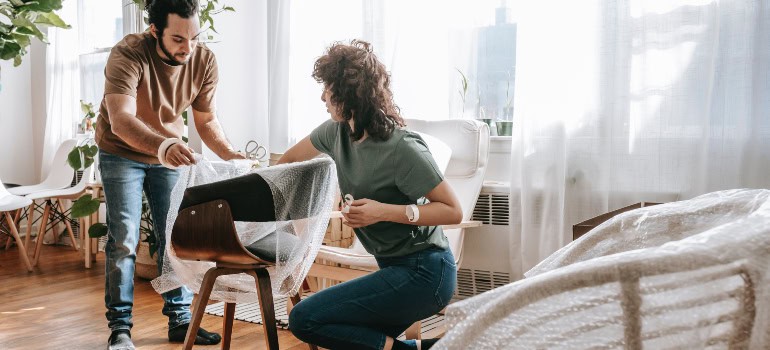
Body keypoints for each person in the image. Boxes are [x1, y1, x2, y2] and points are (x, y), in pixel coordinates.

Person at [280, 40, 463, 350]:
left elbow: (452, 210)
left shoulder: (402, 148)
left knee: (304, 319)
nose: (322, 96)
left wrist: (382, 211)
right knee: (352, 336)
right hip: (392, 269)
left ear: (352, 94)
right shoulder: (334, 132)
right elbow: (287, 161)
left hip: (426, 273)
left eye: (329, 88)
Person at [95, 0, 244, 348]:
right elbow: (121, 119)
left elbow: (206, 120)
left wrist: (231, 154)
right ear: (154, 32)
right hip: (121, 151)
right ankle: (120, 329)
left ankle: (180, 321)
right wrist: (163, 146)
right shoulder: (128, 54)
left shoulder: (203, 60)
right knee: (125, 238)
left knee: (175, 237)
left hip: (167, 154)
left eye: (193, 37)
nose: (187, 48)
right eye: (178, 39)